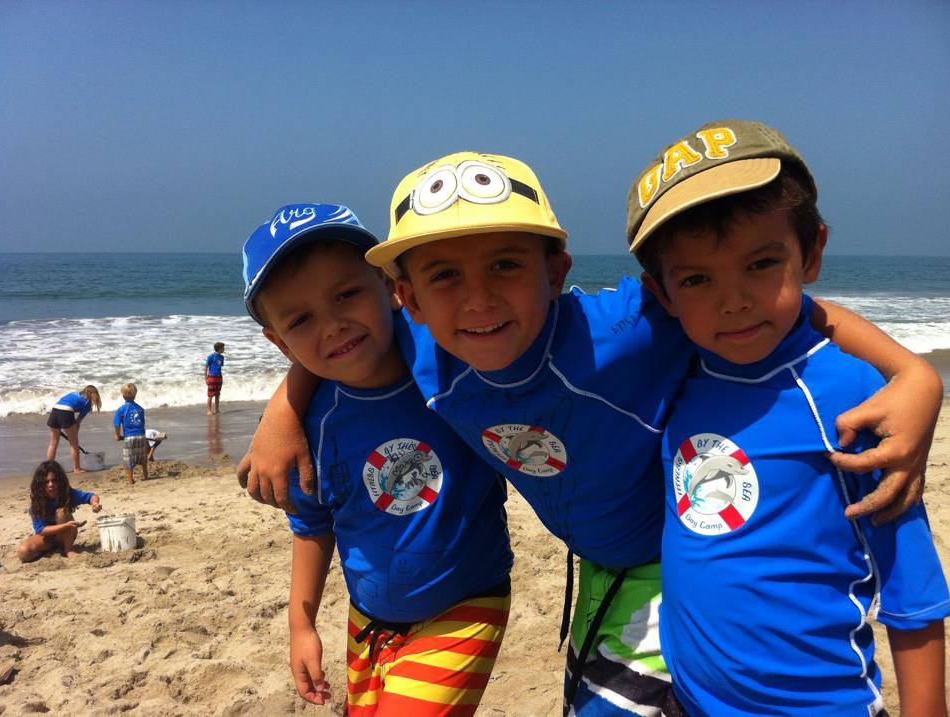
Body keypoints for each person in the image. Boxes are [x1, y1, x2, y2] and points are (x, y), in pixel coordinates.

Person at [243, 152, 943, 715]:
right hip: (595, 566)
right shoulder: (425, 344)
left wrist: (911, 373)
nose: (478, 298)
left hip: (671, 557)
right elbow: (337, 338)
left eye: (506, 264)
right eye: (445, 276)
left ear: (557, 271)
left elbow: (776, 304)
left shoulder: (623, 332)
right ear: (409, 298)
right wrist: (283, 412)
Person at [630, 119, 949, 716]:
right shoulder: (671, 373)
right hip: (691, 701)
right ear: (662, 294)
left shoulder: (853, 395)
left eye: (760, 264)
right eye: (697, 279)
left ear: (813, 251)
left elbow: (913, 589)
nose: (733, 301)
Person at [242, 203, 514, 714]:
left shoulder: (452, 362)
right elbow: (312, 524)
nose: (333, 326)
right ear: (280, 343)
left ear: (391, 287)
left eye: (346, 294)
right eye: (301, 319)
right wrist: (301, 624)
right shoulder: (312, 427)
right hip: (367, 620)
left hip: (466, 602)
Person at [17, 460, 102, 562]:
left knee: (62, 512)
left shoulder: (67, 494)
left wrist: (95, 504)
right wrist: (66, 525)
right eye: (46, 482)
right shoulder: (37, 502)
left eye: (54, 480)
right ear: (40, 484)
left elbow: (91, 496)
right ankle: (51, 549)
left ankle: (69, 549)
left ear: (60, 481)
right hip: (48, 537)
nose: (51, 485)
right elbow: (41, 530)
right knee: (24, 552)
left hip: (66, 534)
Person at [45, 385, 102, 473]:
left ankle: (49, 469)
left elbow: (64, 403)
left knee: (53, 443)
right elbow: (78, 422)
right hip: (66, 412)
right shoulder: (87, 403)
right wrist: (74, 435)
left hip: (55, 410)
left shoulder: (74, 393)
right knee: (74, 444)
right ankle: (77, 468)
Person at [113, 382, 149, 485]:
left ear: (123, 396)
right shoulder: (140, 409)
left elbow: (116, 424)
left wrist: (117, 435)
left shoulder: (121, 410)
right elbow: (142, 423)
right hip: (141, 435)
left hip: (129, 436)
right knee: (142, 456)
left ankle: (130, 481)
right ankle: (145, 475)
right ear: (135, 394)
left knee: (128, 458)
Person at [204, 342, 225, 415]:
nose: (224, 349)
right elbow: (206, 367)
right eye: (223, 348)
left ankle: (217, 409)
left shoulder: (222, 357)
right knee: (210, 394)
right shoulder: (211, 356)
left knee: (217, 394)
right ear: (219, 348)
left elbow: (219, 366)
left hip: (219, 377)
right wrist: (206, 378)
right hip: (212, 377)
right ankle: (209, 410)